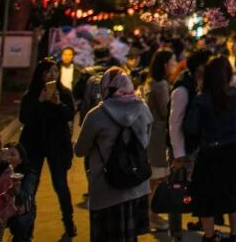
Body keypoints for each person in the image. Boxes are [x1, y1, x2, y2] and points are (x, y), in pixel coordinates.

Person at [75, 67, 154, 242]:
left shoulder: (96, 115)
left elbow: (80, 151)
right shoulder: (143, 109)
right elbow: (146, 141)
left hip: (107, 190)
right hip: (136, 186)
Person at [185, 56, 236, 241]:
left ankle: (210, 235)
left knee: (205, 193)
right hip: (232, 148)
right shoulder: (235, 94)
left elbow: (191, 127)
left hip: (210, 149)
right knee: (231, 190)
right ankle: (233, 233)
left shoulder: (202, 98)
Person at [18, 57, 77, 238]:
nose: (53, 75)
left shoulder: (64, 93)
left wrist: (58, 104)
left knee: (60, 185)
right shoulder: (31, 94)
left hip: (57, 147)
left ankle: (69, 223)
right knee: (30, 187)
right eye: (49, 72)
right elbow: (24, 118)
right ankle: (27, 228)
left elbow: (69, 115)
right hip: (34, 146)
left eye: (55, 71)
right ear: (41, 74)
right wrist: (40, 100)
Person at [167, 48, 211, 239]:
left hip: (197, 146)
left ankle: (202, 220)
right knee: (177, 188)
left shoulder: (198, 84)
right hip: (183, 149)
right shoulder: (182, 89)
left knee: (199, 187)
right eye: (205, 64)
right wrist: (179, 154)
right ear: (198, 67)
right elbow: (174, 123)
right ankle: (175, 230)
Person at [145, 49, 176, 231]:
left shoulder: (151, 82)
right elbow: (166, 111)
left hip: (151, 133)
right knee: (155, 178)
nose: (174, 65)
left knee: (154, 179)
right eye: (172, 62)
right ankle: (149, 215)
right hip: (157, 136)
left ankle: (150, 214)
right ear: (164, 64)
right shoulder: (161, 84)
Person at [3, 143, 37, 242]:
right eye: (6, 154)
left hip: (22, 215)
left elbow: (23, 197)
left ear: (21, 159)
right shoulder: (0, 172)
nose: (9, 158)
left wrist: (15, 188)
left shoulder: (29, 175)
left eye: (13, 155)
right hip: (3, 214)